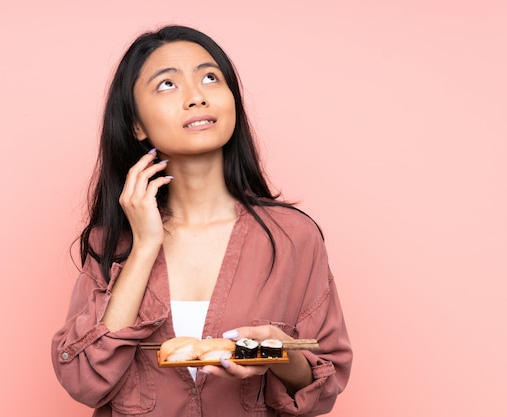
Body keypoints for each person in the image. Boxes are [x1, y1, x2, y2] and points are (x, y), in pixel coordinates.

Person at [51, 25, 352, 417]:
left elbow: (324, 387)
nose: (196, 97)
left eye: (210, 77)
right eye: (167, 85)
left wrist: (275, 353)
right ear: (137, 125)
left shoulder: (294, 237)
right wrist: (143, 246)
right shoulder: (113, 241)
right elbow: (84, 380)